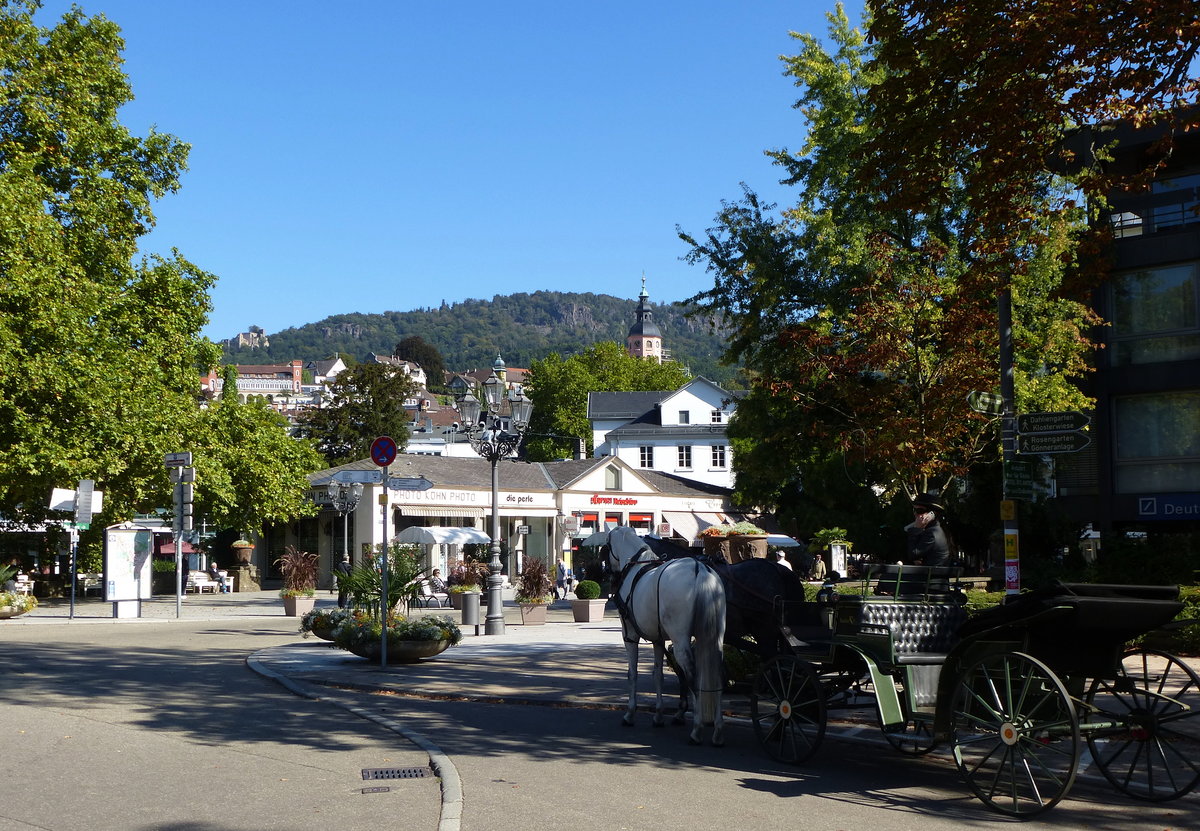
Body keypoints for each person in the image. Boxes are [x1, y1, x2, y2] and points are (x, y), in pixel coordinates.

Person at [906, 492, 952, 567]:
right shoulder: (934, 530)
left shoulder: (931, 533)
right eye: (914, 510)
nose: (915, 514)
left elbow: (912, 555)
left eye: (919, 511)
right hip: (930, 575)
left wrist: (916, 529)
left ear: (931, 514)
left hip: (930, 577)